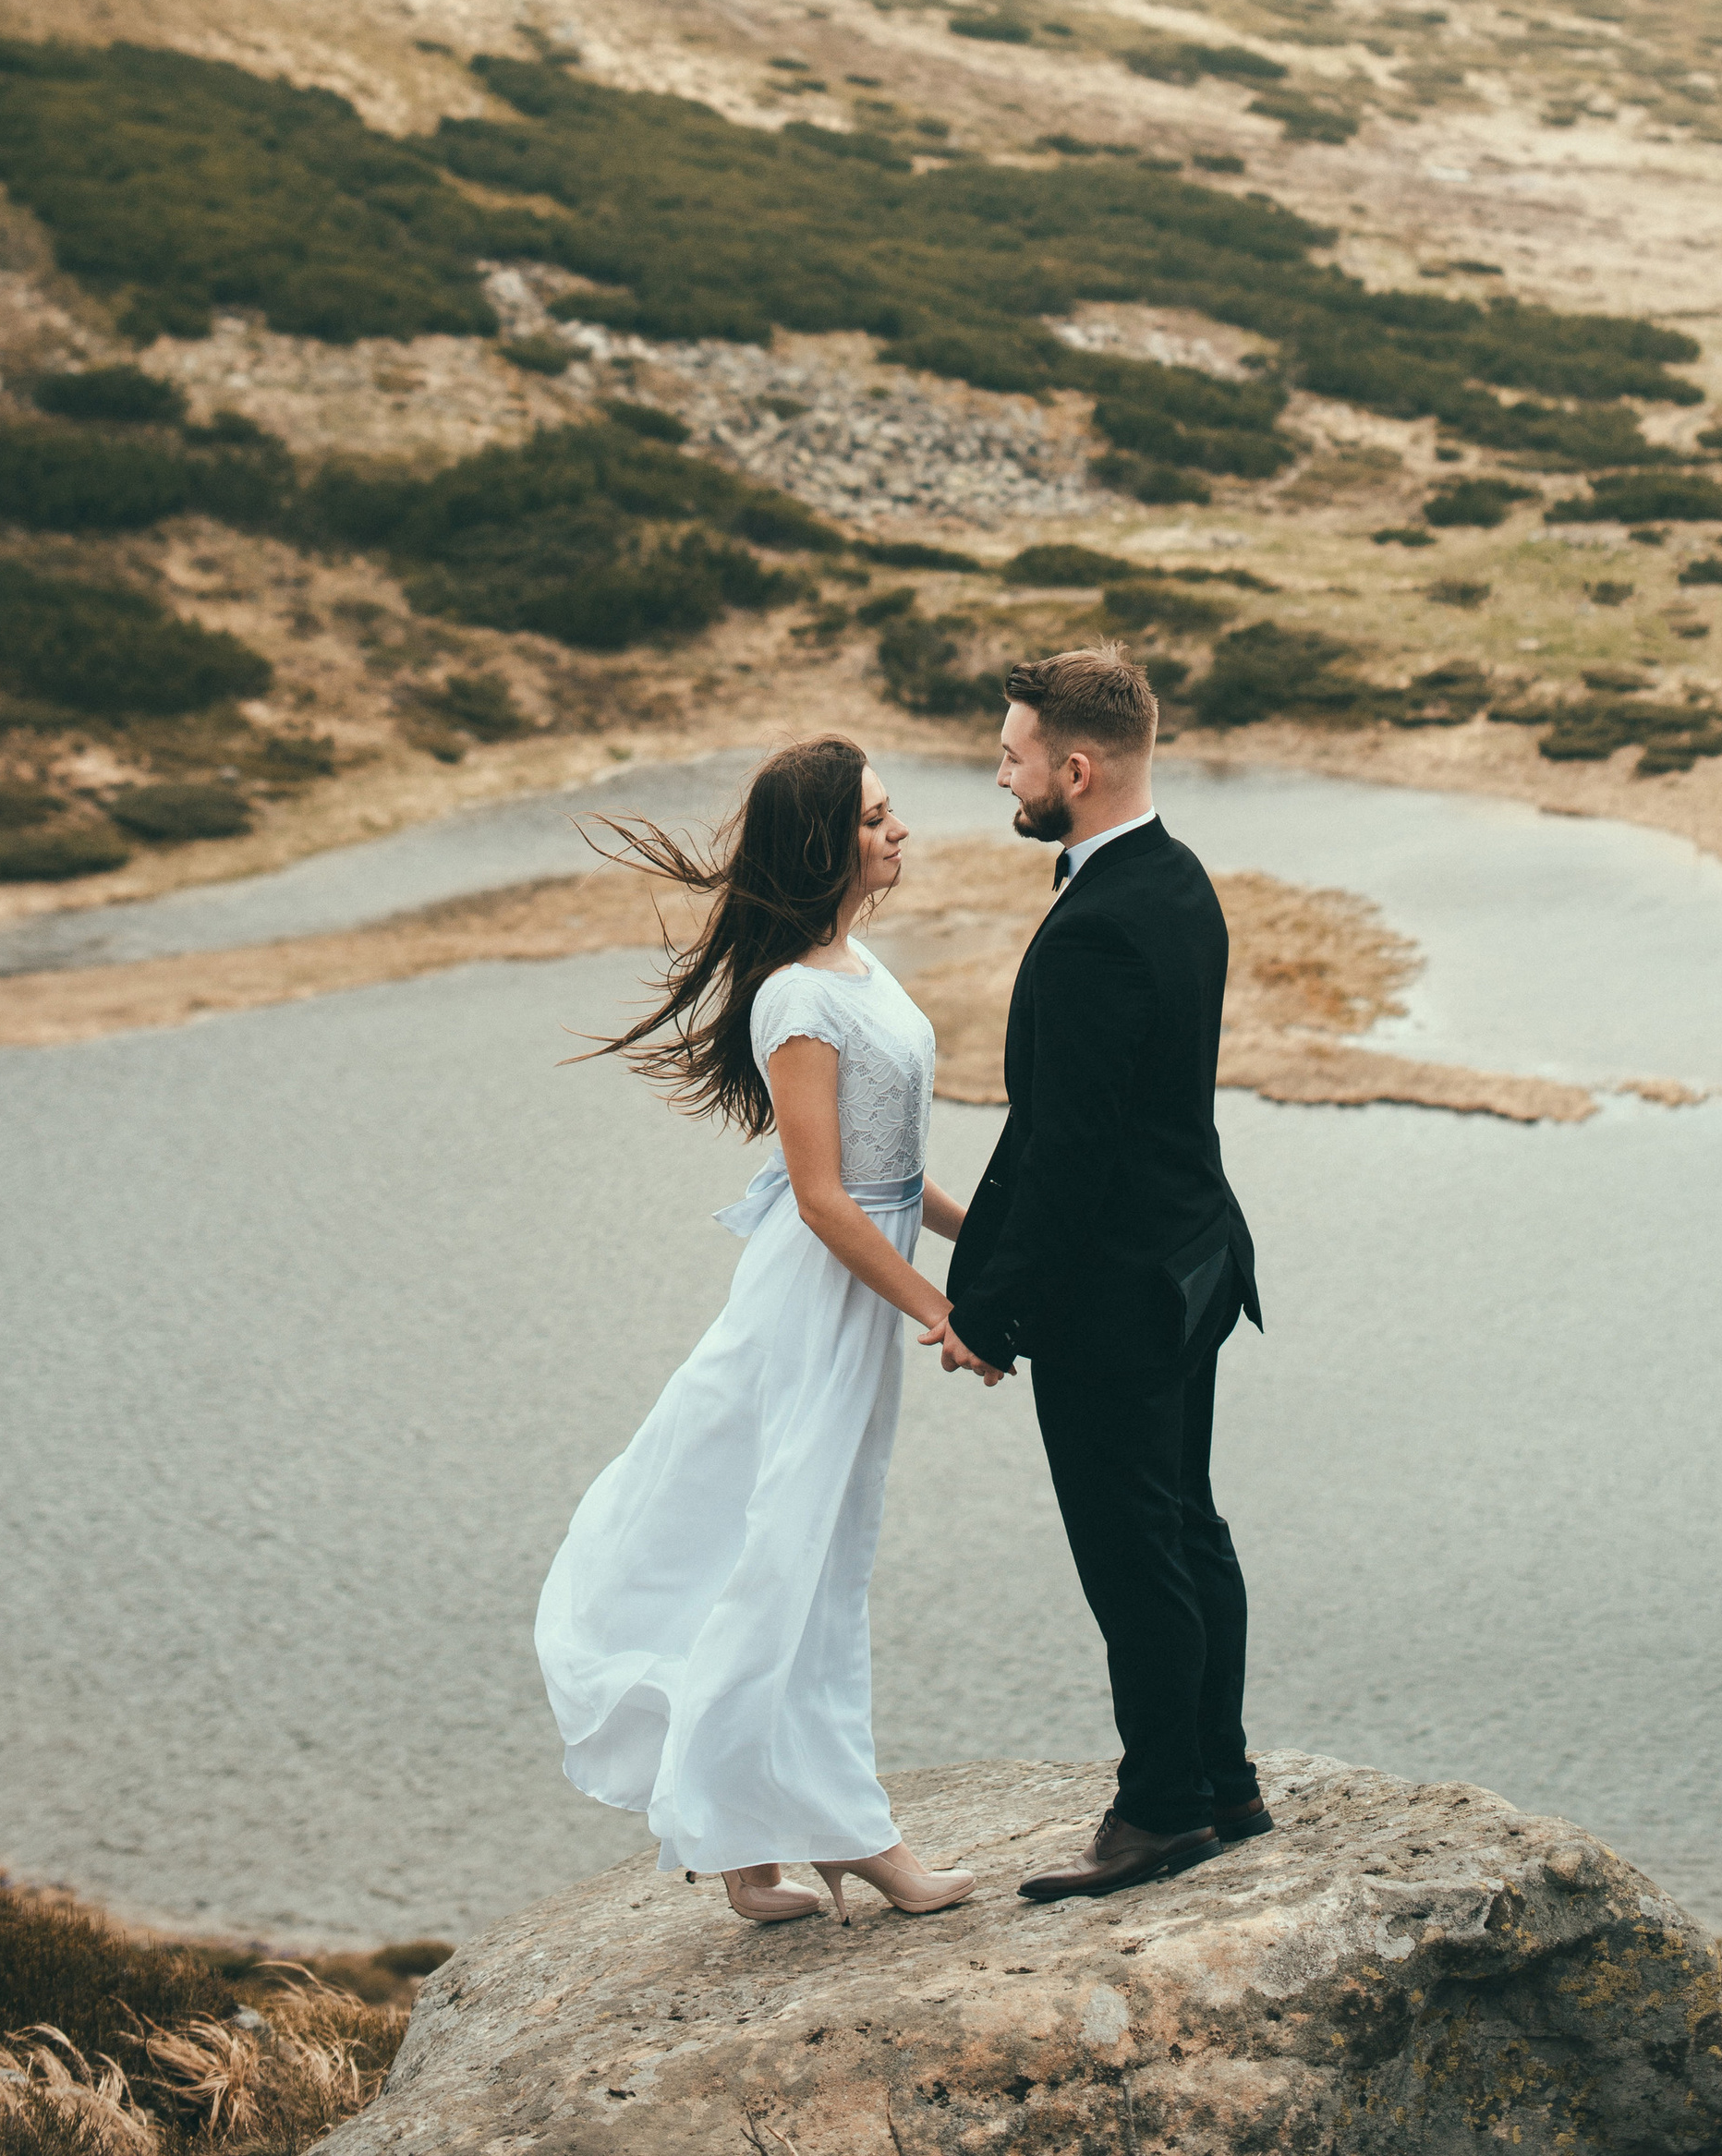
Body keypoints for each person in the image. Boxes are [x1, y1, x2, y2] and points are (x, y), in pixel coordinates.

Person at [535, 735, 978, 1926]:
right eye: (881, 820)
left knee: (805, 1549)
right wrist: (940, 1308)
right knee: (792, 1555)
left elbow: (894, 1170)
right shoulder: (795, 996)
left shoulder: (857, 963)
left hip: (857, 1290)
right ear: (831, 843)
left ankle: (751, 1847)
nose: (902, 834)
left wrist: (974, 1242)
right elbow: (826, 1197)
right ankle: (850, 1838)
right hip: (818, 1301)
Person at [935, 647, 1267, 1900]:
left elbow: (1066, 1148)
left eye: (1014, 756)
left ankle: (1162, 1808)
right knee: (1188, 1524)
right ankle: (1223, 1779)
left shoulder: (1096, 929)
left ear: (1075, 770)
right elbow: (1089, 1127)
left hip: (1121, 1297)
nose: (1000, 773)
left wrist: (995, 1314)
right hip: (1192, 1264)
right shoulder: (1178, 882)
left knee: (1136, 1552)